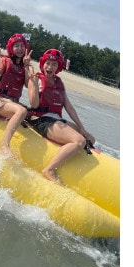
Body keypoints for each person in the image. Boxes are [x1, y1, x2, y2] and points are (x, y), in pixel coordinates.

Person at [27, 48, 96, 186]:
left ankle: (68, 154)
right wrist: (33, 85)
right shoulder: (36, 79)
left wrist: (82, 128)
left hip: (56, 120)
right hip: (41, 120)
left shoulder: (59, 82)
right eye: (47, 63)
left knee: (90, 138)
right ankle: (49, 169)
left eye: (54, 64)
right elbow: (34, 105)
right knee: (79, 141)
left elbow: (68, 107)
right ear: (43, 64)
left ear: (58, 67)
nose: (50, 67)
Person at [0, 34, 33, 158]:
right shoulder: (4, 60)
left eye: (22, 46)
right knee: (22, 111)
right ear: (11, 48)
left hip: (11, 103)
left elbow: (27, 85)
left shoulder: (24, 66)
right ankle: (4, 146)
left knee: (32, 114)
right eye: (16, 46)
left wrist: (27, 66)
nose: (20, 49)